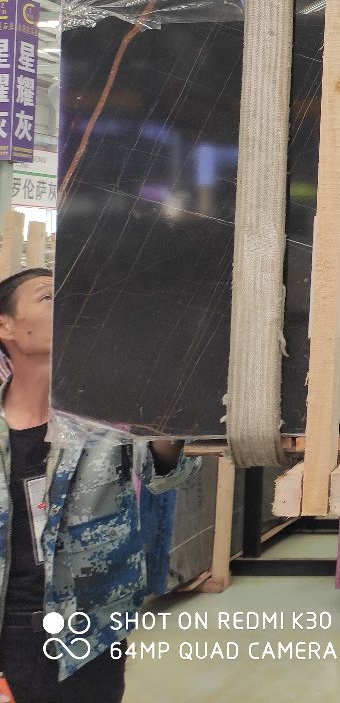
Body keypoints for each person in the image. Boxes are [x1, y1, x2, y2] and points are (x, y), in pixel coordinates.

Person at [0, 268, 196, 701]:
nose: (66, 307)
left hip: (90, 630)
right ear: (5, 326)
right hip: (9, 631)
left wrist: (167, 393)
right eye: (48, 297)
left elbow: (165, 474)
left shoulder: (103, 416)